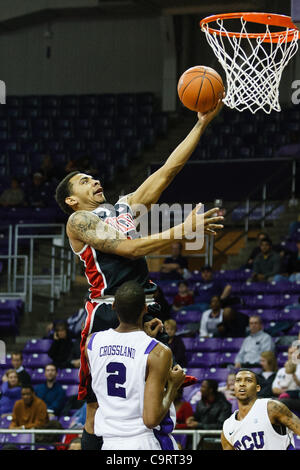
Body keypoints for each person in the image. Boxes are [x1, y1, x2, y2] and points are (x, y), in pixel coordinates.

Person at [55, 100, 224, 450]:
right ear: (72, 201)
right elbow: (129, 250)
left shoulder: (122, 208)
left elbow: (167, 171)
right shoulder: (79, 221)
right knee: (95, 410)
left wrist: (201, 124)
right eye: (84, 182)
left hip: (146, 307)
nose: (95, 180)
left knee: (157, 395)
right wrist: (184, 228)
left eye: (93, 176)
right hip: (107, 312)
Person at [85, 281, 186, 450]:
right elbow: (151, 419)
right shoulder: (158, 352)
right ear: (145, 309)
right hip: (144, 441)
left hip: (109, 443)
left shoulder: (92, 342)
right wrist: (173, 387)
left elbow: (120, 353)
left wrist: (141, 335)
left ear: (114, 306)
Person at [221, 369, 300, 450]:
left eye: (248, 380)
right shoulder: (228, 427)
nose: (242, 384)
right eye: (238, 381)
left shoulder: (271, 407)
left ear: (257, 388)